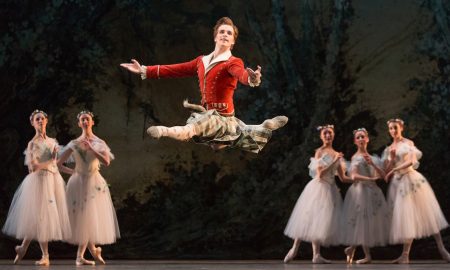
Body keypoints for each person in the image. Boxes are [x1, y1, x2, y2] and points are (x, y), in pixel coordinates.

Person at [120, 17, 288, 153]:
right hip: (207, 112)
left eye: (229, 33)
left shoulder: (233, 62)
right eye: (222, 32)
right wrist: (144, 69)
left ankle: (163, 130)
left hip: (222, 117)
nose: (225, 35)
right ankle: (264, 126)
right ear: (215, 37)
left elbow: (241, 74)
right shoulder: (201, 61)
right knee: (219, 144)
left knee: (193, 129)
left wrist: (252, 79)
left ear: (232, 42)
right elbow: (176, 69)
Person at [2, 110, 71, 266]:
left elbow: (57, 164)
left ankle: (22, 248)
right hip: (40, 182)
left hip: (53, 180)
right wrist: (51, 161)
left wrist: (73, 171)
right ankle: (44, 255)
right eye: (37, 119)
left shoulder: (53, 141)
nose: (40, 121)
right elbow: (33, 168)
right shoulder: (32, 143)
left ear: (47, 121)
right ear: (32, 123)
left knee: (41, 218)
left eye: (42, 118)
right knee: (42, 218)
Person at [383, 118, 450, 263]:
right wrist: (392, 160)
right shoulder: (389, 148)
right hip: (398, 185)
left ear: (401, 127)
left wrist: (395, 168)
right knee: (408, 218)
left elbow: (411, 161)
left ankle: (442, 249)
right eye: (391, 129)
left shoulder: (408, 143)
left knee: (428, 213)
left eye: (395, 128)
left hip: (411, 179)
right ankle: (405, 255)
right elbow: (386, 171)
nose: (393, 131)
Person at [58, 111, 120, 266]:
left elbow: (106, 161)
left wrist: (92, 148)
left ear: (92, 122)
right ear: (79, 123)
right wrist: (73, 172)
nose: (85, 121)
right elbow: (59, 164)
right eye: (82, 120)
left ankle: (87, 253)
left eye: (87, 119)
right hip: (78, 182)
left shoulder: (99, 142)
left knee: (89, 216)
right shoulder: (74, 143)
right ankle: (88, 253)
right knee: (83, 216)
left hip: (94, 182)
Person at [283, 125, 350, 263]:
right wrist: (335, 161)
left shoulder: (337, 154)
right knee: (308, 217)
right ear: (321, 136)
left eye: (330, 133)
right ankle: (294, 248)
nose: (327, 136)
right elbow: (320, 174)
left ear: (333, 135)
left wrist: (358, 179)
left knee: (319, 222)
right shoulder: (319, 152)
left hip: (331, 189)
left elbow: (343, 178)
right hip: (319, 187)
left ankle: (316, 255)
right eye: (325, 133)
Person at [341, 128, 389, 264]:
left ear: (367, 139)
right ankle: (366, 255)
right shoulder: (355, 157)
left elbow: (382, 176)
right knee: (363, 220)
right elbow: (354, 176)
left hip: (373, 191)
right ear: (355, 141)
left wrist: (372, 163)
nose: (361, 139)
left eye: (363, 137)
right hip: (361, 192)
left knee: (369, 222)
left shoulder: (373, 158)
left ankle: (352, 248)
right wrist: (369, 180)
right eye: (358, 137)